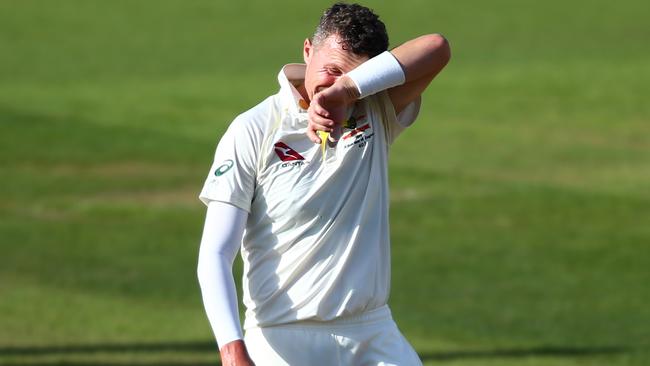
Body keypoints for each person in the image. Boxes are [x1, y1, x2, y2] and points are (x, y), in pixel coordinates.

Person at [197, 3, 450, 365]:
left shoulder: (375, 108)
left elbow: (436, 47)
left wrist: (347, 91)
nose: (331, 83)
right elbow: (216, 253)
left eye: (352, 75)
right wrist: (232, 350)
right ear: (307, 51)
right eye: (330, 70)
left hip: (371, 333)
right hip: (281, 337)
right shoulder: (254, 129)